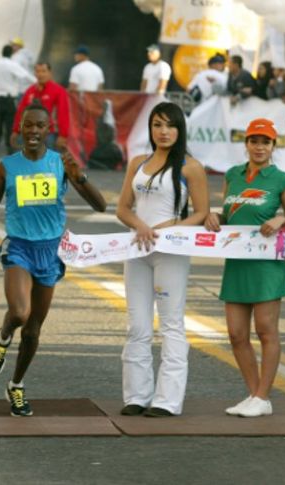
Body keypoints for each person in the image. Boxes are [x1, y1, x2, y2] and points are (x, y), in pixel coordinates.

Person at [0, 104, 106, 417]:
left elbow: (100, 205)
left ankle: (16, 386)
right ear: (19, 129)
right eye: (28, 126)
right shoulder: (7, 166)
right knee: (20, 313)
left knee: (33, 331)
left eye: (40, 126)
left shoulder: (60, 162)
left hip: (50, 251)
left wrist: (79, 176)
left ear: (49, 129)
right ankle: (2, 337)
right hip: (19, 247)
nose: (33, 131)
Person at [115, 102, 210, 417]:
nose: (164, 131)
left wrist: (172, 227)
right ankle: (136, 396)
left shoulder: (190, 167)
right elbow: (123, 207)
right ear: (151, 128)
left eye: (170, 125)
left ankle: (167, 400)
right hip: (137, 251)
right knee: (137, 325)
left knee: (171, 324)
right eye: (157, 124)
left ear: (180, 129)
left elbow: (202, 212)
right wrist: (139, 225)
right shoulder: (138, 163)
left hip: (171, 253)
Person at [203, 118, 285, 418]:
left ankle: (262, 395)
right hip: (237, 263)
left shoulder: (282, 180)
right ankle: (256, 395)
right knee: (236, 334)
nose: (259, 147)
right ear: (246, 144)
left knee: (266, 331)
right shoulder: (232, 175)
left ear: (273, 146)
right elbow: (232, 213)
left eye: (265, 142)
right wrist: (216, 217)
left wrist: (282, 219)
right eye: (254, 141)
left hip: (267, 264)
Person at [0, 44, 36, 165]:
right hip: (9, 99)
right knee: (10, 127)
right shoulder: (12, 65)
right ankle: (10, 155)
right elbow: (25, 75)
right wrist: (38, 82)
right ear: (11, 54)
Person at [10, 62, 70, 152]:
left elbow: (63, 114)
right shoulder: (30, 91)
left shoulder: (59, 91)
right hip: (29, 134)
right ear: (34, 73)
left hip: (49, 135)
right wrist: (15, 130)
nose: (40, 74)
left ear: (50, 73)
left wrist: (63, 135)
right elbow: (21, 112)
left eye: (43, 71)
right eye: (38, 71)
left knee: (48, 164)